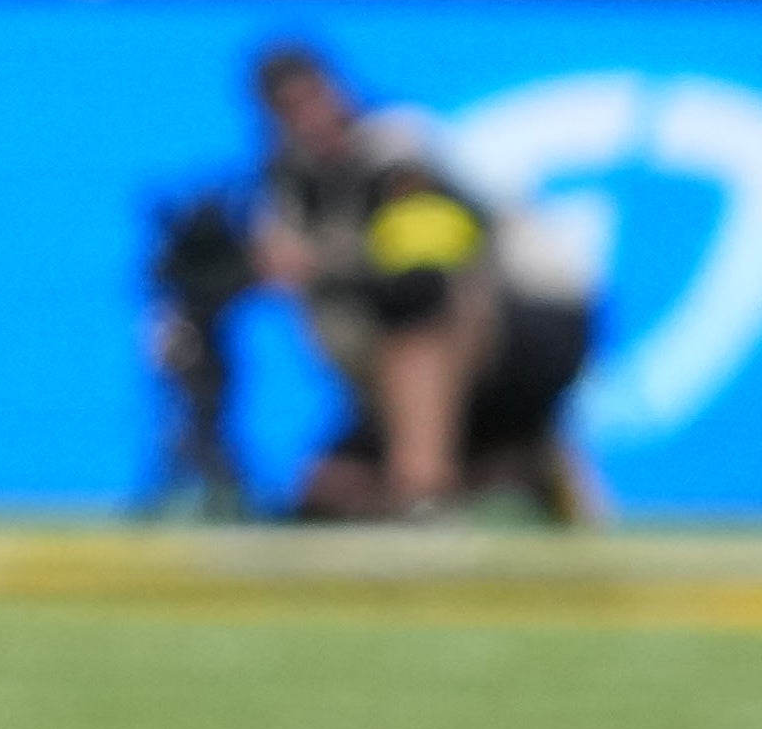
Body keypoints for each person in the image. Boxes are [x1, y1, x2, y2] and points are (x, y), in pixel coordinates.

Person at [248, 40, 598, 520]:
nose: (310, 118)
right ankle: (516, 462)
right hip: (451, 364)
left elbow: (425, 271)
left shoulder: (396, 148)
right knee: (330, 492)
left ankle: (425, 483)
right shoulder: (288, 186)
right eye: (290, 109)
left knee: (416, 315)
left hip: (535, 321)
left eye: (314, 99)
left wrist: (318, 265)